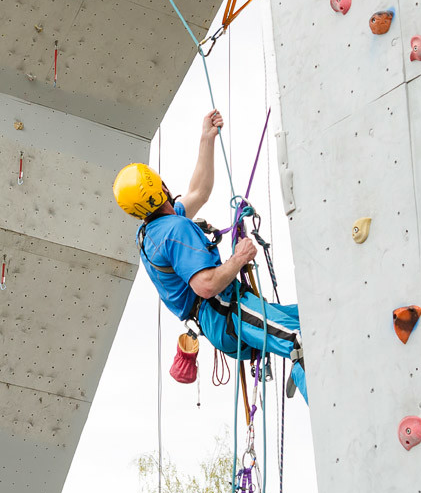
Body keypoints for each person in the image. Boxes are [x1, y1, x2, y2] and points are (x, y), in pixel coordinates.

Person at [113, 110, 307, 401]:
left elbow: (199, 192)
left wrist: (207, 138)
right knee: (301, 341)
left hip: (219, 317)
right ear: (161, 187)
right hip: (222, 311)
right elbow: (204, 285)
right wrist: (239, 257)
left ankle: (302, 371)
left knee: (311, 320)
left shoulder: (153, 230)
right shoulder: (175, 230)